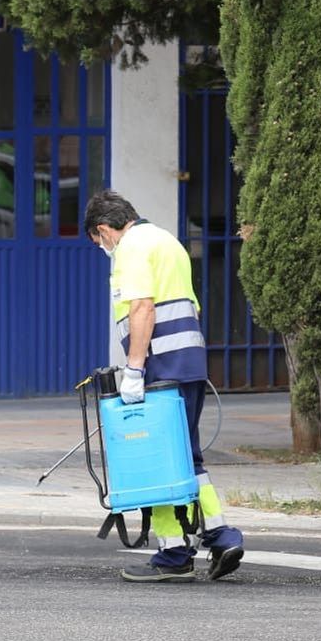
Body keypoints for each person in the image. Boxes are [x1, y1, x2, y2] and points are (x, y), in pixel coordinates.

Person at [83, 189, 245, 582]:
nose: (102, 247)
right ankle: (222, 534)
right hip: (188, 363)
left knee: (151, 458)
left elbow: (142, 307)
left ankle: (174, 553)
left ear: (105, 230)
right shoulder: (165, 240)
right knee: (185, 454)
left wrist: (135, 369)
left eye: (98, 241)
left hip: (159, 367)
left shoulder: (132, 249)